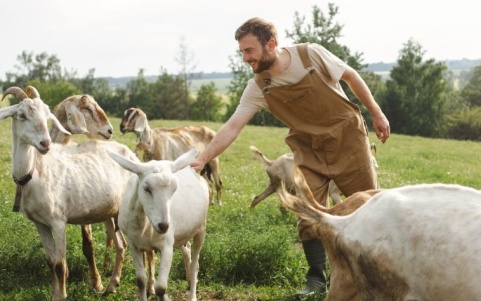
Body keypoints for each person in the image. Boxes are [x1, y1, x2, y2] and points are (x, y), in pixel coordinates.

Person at [190, 17, 390, 297]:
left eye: (249, 51)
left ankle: (377, 276)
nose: (246, 59)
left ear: (270, 44)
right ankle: (317, 280)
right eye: (242, 53)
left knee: (370, 210)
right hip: (309, 148)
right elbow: (233, 126)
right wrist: (202, 158)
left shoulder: (310, 55)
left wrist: (377, 113)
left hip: (348, 139)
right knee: (307, 212)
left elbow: (350, 76)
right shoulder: (259, 86)